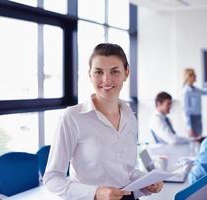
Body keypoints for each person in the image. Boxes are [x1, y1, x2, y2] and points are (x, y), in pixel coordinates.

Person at [43, 43, 163, 200]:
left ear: (126, 73)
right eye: (99, 72)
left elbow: (126, 171)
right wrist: (95, 193)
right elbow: (52, 178)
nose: (106, 80)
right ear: (90, 74)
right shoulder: (72, 117)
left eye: (114, 71)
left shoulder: (129, 116)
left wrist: (147, 181)